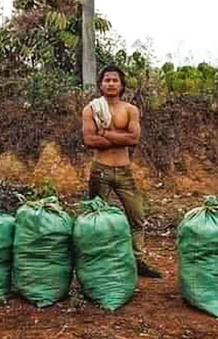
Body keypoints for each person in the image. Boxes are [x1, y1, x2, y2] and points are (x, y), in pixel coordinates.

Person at [82, 65, 163, 278]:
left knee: (137, 217)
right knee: (96, 219)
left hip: (124, 171)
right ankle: (97, 262)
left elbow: (134, 139)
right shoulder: (91, 109)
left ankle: (137, 260)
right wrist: (119, 137)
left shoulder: (130, 110)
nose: (110, 83)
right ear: (100, 84)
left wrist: (106, 133)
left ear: (121, 84)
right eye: (107, 80)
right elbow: (90, 140)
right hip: (100, 170)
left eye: (115, 80)